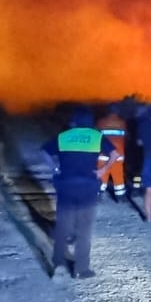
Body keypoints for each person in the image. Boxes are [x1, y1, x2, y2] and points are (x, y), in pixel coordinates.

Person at [41, 108, 102, 278]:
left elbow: (45, 151)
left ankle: (58, 264)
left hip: (66, 186)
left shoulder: (63, 137)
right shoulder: (96, 137)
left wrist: (54, 167)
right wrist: (102, 170)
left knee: (63, 226)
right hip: (88, 188)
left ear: (73, 122)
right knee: (84, 229)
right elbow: (114, 153)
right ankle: (81, 269)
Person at [95, 103, 128, 201]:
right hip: (119, 154)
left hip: (103, 154)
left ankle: (98, 194)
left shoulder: (101, 122)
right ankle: (120, 196)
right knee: (118, 174)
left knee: (102, 174)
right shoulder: (122, 123)